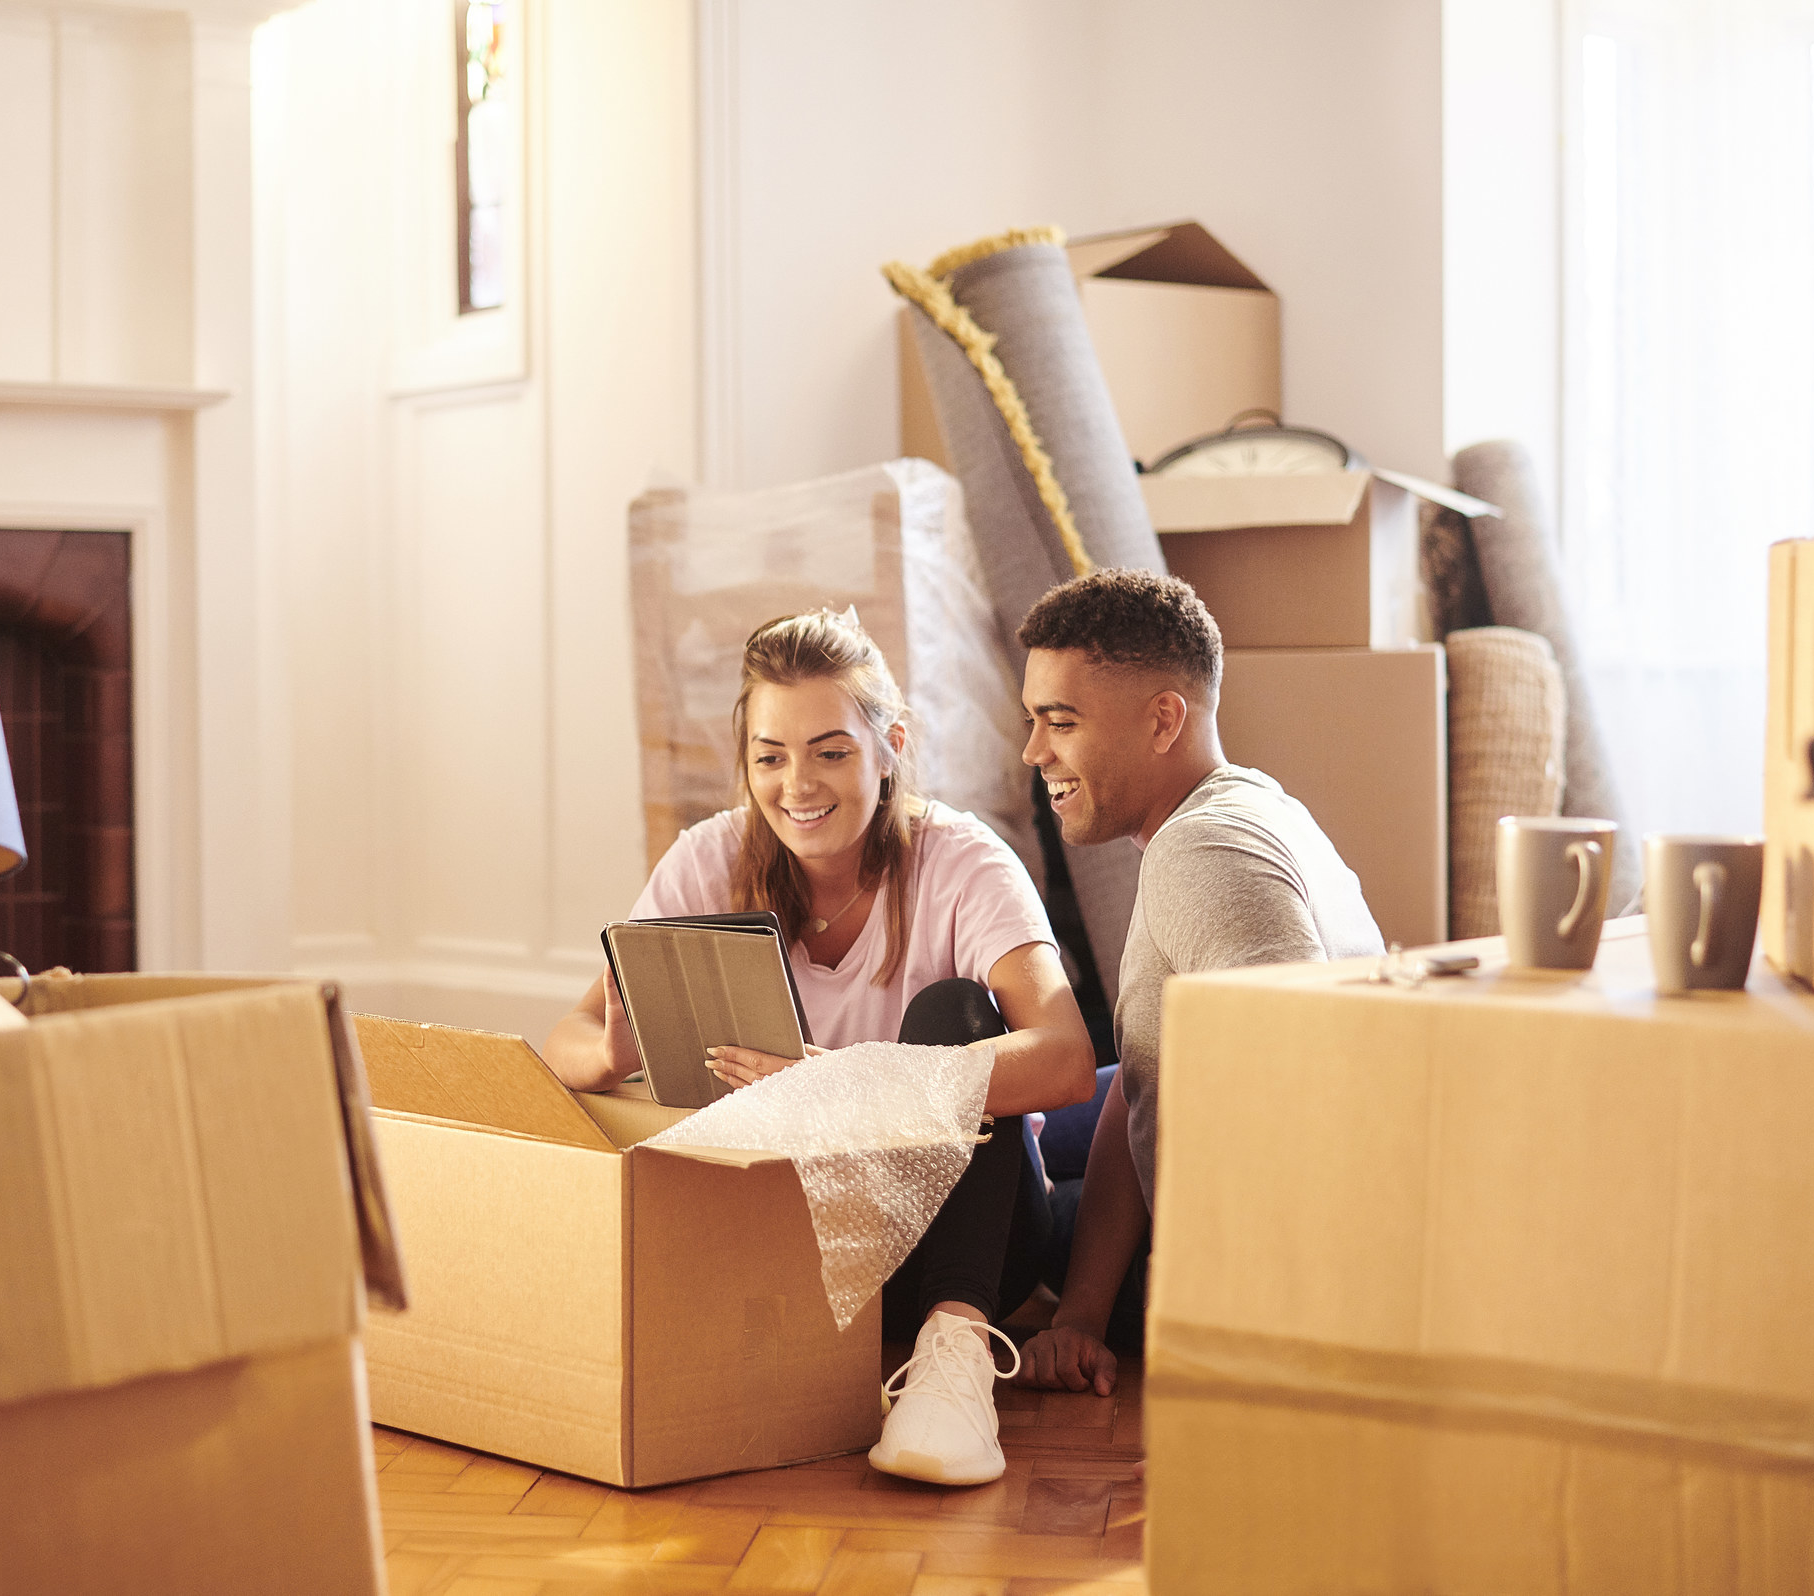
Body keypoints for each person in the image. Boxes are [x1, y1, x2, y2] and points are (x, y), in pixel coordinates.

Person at [544, 607, 1097, 1485]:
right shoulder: (709, 859)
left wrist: (855, 1079)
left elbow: (1063, 1058)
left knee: (957, 1012)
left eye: (831, 751)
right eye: (771, 756)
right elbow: (567, 1037)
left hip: (963, 1238)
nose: (798, 783)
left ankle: (954, 1363)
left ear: (891, 747)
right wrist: (612, 1057)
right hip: (794, 1246)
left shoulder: (963, 864)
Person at [1008, 570, 1384, 1397]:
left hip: (1244, 1266)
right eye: (1034, 721)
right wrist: (1079, 1312)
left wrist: (1229, 1372)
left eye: (1060, 723)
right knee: (1020, 1109)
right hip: (1200, 1167)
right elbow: (1146, 1079)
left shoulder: (1202, 856)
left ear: (1164, 719)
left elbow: (1297, 1110)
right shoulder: (1257, 805)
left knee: (1001, 1200)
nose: (1035, 752)